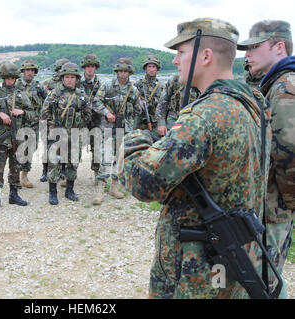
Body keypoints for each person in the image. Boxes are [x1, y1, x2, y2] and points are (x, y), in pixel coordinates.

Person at [119, 18, 272, 299]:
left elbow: (142, 183)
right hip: (234, 259)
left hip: (196, 270)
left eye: (181, 52)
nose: (175, 61)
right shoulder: (254, 104)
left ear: (205, 56)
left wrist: (135, 140)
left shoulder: (204, 116)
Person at [238, 20, 295, 298]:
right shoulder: (276, 82)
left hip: (274, 208)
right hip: (272, 204)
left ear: (279, 47)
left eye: (254, 47)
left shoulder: (285, 89)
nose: (247, 55)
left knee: (264, 282)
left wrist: (281, 210)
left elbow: (290, 155)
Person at [0, 62, 36, 211]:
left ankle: (14, 194)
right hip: (0, 139)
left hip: (17, 138)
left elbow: (33, 114)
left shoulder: (21, 95)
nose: (10, 81)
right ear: (3, 78)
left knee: (15, 168)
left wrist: (23, 112)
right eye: (7, 78)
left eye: (12, 78)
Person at [91, 58, 142, 205]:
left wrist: (128, 120)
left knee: (120, 158)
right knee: (105, 157)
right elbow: (96, 102)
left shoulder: (133, 90)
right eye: (120, 71)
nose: (123, 73)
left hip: (124, 128)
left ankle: (114, 187)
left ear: (129, 72)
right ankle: (100, 190)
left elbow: (138, 109)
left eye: (125, 71)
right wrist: (107, 113)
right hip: (108, 126)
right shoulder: (107, 85)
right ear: (117, 72)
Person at [41, 62, 91, 205]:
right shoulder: (55, 93)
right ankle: (53, 192)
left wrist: (79, 123)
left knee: (73, 163)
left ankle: (70, 190)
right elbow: (45, 113)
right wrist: (54, 126)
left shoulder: (81, 95)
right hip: (57, 133)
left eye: (72, 77)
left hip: (74, 133)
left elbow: (88, 114)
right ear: (63, 78)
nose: (69, 79)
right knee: (54, 163)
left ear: (76, 78)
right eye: (67, 77)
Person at [15, 60, 47, 188]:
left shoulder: (38, 86)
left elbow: (47, 102)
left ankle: (25, 175)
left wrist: (43, 115)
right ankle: (15, 177)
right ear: (23, 71)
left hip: (33, 123)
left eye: (32, 71)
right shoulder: (15, 85)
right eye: (28, 70)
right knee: (18, 149)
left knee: (31, 149)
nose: (30, 73)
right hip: (18, 124)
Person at [40, 58, 70, 183]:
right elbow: (42, 101)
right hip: (49, 121)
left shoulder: (70, 83)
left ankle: (63, 169)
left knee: (63, 147)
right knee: (48, 146)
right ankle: (45, 170)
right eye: (59, 70)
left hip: (64, 120)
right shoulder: (47, 83)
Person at [79, 54, 102, 185]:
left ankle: (97, 174)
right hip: (80, 120)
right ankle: (69, 174)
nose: (89, 69)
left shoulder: (101, 84)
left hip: (96, 120)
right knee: (74, 147)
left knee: (97, 147)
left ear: (96, 68)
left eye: (92, 66)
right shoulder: (77, 82)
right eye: (87, 66)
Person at [134, 54, 163, 136]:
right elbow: (132, 99)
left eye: (154, 67)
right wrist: (139, 102)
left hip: (155, 119)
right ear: (145, 68)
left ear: (157, 68)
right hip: (140, 118)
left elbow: (164, 103)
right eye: (149, 66)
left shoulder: (161, 86)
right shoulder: (139, 84)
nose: (151, 69)